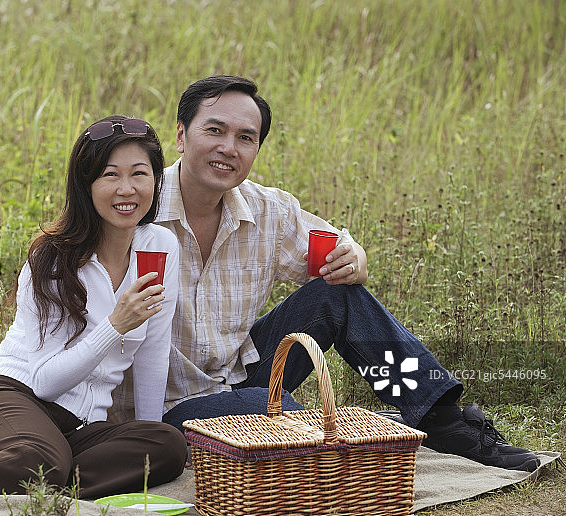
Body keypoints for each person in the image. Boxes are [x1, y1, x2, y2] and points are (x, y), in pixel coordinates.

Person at [110, 75, 539, 472]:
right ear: (182, 136)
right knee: (276, 414)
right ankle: (322, 432)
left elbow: (340, 249)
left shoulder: (269, 210)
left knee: (337, 294)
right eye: (215, 130)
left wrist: (356, 258)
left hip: (241, 374)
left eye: (246, 137)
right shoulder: (134, 206)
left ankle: (441, 419)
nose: (229, 148)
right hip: (162, 408)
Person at [0, 116, 187, 496]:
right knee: (42, 462)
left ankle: (36, 482)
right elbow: (44, 381)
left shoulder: (161, 248)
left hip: (78, 427)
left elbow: (153, 353)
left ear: (156, 182)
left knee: (168, 446)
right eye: (110, 175)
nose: (127, 189)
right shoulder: (54, 260)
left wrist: (147, 433)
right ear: (86, 185)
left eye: (140, 174)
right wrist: (115, 325)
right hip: (13, 395)